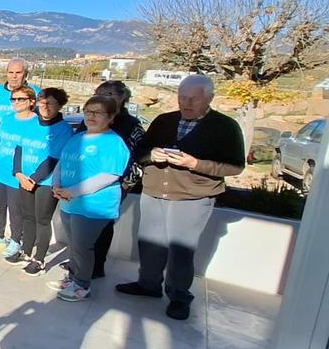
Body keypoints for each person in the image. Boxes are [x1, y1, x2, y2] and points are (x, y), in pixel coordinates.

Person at [116, 74, 244, 320]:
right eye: (182, 97)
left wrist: (196, 163)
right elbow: (140, 151)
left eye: (192, 99)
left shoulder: (225, 126)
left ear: (209, 98)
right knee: (150, 242)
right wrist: (152, 154)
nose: (185, 103)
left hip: (192, 197)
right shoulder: (164, 121)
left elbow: (235, 166)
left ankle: (178, 295)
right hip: (155, 191)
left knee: (181, 250)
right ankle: (148, 284)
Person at [48, 95, 130, 302]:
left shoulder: (113, 142)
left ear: (111, 117)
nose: (91, 116)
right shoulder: (78, 137)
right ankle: (74, 277)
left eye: (97, 112)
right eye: (88, 111)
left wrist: (73, 191)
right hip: (69, 202)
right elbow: (63, 162)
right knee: (74, 245)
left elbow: (109, 175)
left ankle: (81, 285)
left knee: (83, 246)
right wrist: (56, 184)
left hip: (93, 206)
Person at [75, 80, 146, 279]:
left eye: (110, 94)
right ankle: (81, 263)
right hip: (83, 181)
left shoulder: (131, 125)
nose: (104, 98)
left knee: (103, 225)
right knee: (81, 223)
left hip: (113, 184)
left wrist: (125, 184)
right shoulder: (87, 120)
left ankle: (96, 266)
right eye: (100, 93)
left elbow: (140, 157)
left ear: (123, 98)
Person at [8, 88, 73, 275]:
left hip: (45, 181)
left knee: (42, 221)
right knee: (27, 217)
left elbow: (53, 159)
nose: (44, 107)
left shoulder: (64, 130)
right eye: (42, 102)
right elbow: (18, 148)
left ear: (60, 105)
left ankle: (39, 259)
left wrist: (34, 179)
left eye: (50, 103)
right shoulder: (31, 123)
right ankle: (26, 251)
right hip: (24, 178)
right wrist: (18, 173)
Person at [0, 58, 40, 228]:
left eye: (18, 72)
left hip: (23, 152)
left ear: (25, 74)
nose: (14, 76)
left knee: (17, 189)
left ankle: (17, 228)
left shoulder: (35, 93)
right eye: (10, 72)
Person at [0, 85, 38, 258]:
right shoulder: (7, 118)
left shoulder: (36, 122)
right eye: (14, 99)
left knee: (15, 209)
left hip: (18, 172)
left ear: (31, 101)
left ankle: (15, 240)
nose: (16, 102)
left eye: (21, 99)